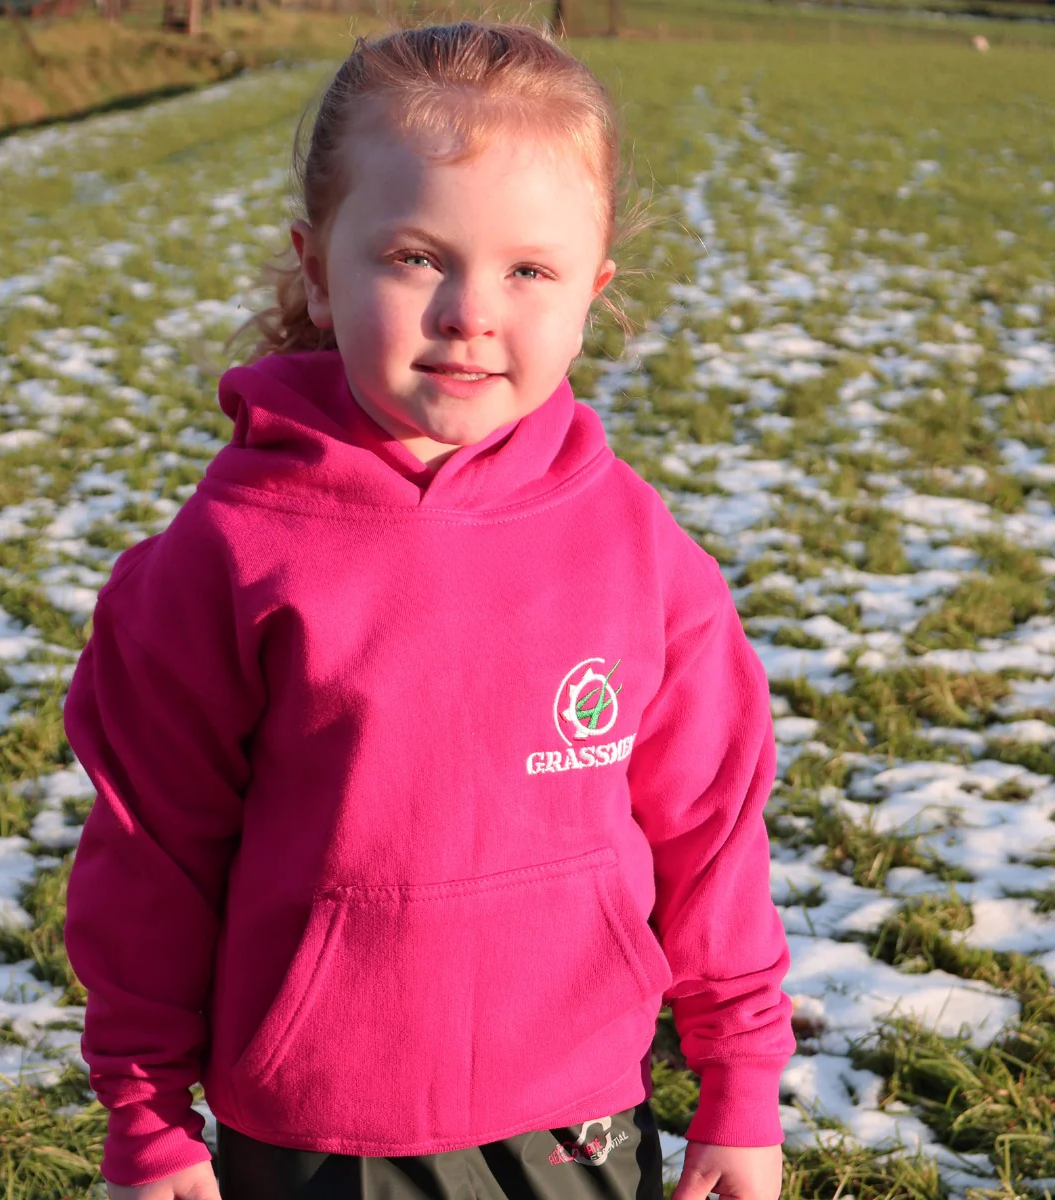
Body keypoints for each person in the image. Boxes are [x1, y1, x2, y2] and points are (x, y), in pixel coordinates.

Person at [63, 19, 795, 1200]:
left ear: (594, 291)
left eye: (529, 271)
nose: (469, 310)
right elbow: (153, 857)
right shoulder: (229, 556)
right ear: (317, 269)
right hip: (317, 1132)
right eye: (415, 256)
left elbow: (711, 832)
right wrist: (146, 1119)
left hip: (581, 1112)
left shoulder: (636, 548)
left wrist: (742, 1078)